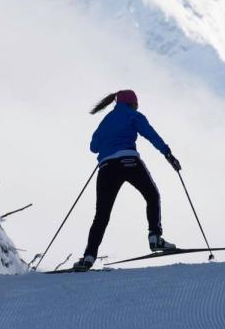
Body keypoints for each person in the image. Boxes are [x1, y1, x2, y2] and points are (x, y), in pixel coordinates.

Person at [72, 89, 181, 272]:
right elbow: (151, 135)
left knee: (101, 215)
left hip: (107, 168)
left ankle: (89, 257)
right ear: (133, 103)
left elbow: (93, 147)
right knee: (152, 195)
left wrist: (108, 143)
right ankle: (155, 237)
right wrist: (168, 154)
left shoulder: (106, 120)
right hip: (129, 161)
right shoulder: (133, 115)